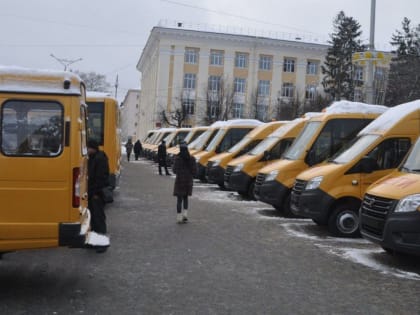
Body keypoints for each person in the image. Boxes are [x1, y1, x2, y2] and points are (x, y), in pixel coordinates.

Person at [87, 139, 110, 253]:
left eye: (88, 148)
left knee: (99, 219)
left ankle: (102, 243)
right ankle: (94, 241)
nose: (87, 150)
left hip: (97, 193)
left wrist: (95, 193)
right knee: (93, 219)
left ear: (93, 148)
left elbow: (100, 178)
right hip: (93, 192)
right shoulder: (94, 157)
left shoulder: (99, 159)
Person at [172, 143, 197, 223]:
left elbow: (174, 170)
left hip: (180, 181)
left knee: (179, 200)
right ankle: (185, 215)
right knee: (185, 198)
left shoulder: (178, 158)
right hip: (188, 181)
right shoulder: (192, 158)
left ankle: (179, 218)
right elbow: (195, 171)